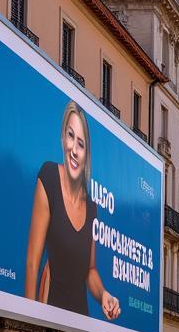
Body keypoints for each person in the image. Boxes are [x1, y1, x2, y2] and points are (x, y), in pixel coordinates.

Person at [24, 101, 119, 320]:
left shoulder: (93, 207)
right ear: (62, 139)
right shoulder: (48, 176)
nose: (74, 150)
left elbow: (90, 269)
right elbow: (32, 262)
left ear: (87, 154)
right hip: (49, 308)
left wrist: (104, 294)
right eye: (70, 136)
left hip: (80, 317)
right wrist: (28, 318)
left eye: (81, 144)